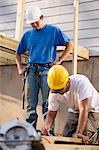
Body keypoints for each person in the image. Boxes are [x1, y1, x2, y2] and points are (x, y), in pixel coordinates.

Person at [15, 5, 74, 129]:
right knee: (31, 105)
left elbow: (70, 44)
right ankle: (30, 131)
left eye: (36, 22)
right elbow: (18, 52)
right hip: (31, 71)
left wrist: (60, 60)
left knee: (48, 103)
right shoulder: (27, 35)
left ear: (42, 17)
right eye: (32, 23)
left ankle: (49, 131)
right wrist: (20, 68)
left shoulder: (53, 31)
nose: (34, 25)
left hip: (48, 72)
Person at [41, 65, 99, 143]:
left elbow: (84, 109)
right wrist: (46, 127)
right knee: (65, 138)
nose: (58, 92)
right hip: (75, 109)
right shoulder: (54, 91)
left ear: (67, 82)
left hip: (93, 109)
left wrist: (79, 132)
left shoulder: (81, 82)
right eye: (55, 90)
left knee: (84, 139)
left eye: (60, 89)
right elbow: (51, 113)